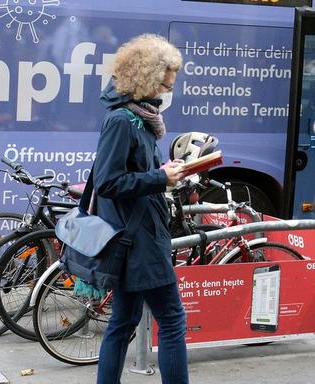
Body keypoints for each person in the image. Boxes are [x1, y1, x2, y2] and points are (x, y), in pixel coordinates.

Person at [94, 34, 188, 384]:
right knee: (173, 321)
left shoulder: (139, 117)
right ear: (146, 80)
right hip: (140, 242)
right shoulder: (123, 121)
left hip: (136, 237)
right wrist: (159, 178)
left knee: (121, 323)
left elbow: (132, 175)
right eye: (165, 83)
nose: (167, 91)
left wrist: (162, 175)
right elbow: (108, 182)